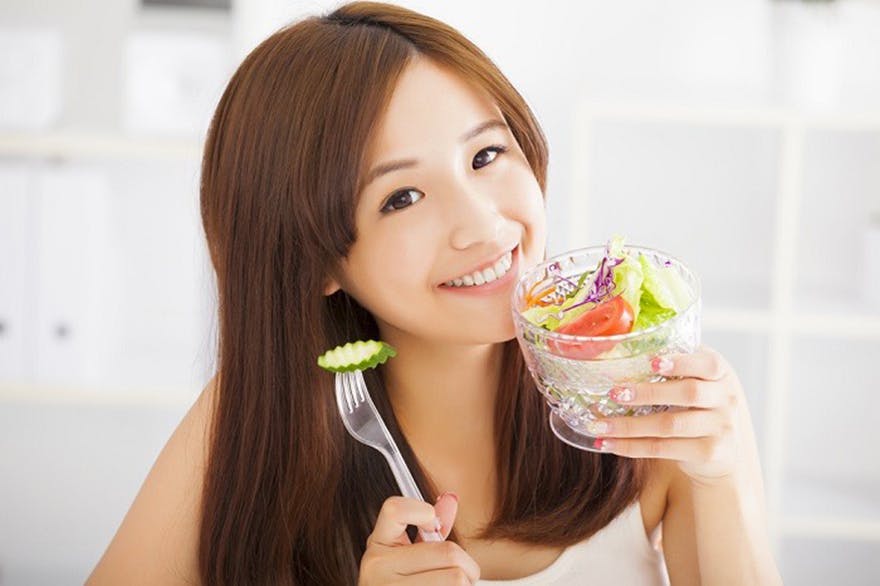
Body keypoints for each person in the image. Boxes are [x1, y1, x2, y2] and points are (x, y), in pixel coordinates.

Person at [87, 2, 783, 584]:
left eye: (486, 155)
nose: (482, 222)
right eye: (403, 197)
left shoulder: (652, 404)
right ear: (317, 259)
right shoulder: (255, 422)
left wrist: (721, 478)